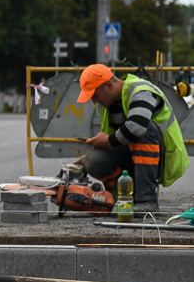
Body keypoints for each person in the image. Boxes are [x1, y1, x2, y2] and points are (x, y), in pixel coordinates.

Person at [76, 63, 189, 213]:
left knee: (142, 129)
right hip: (135, 152)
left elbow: (137, 127)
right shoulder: (106, 105)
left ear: (109, 85)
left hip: (163, 154)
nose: (95, 101)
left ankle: (146, 200)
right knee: (94, 160)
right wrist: (89, 156)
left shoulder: (140, 91)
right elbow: (116, 138)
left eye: (95, 96)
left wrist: (108, 141)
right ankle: (123, 198)